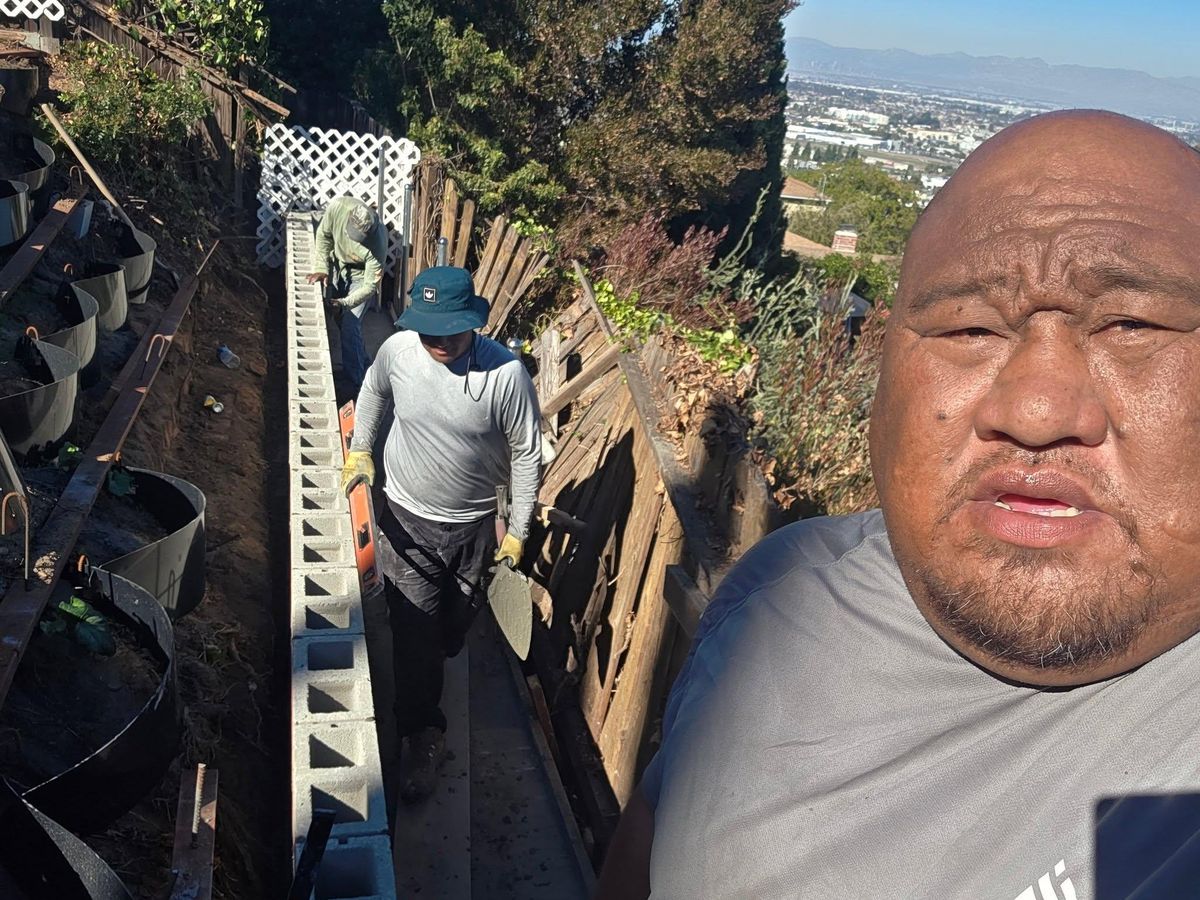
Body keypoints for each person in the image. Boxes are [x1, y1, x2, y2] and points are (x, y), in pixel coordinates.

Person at [596, 110, 1200, 899]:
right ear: (882, 391)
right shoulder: (786, 589)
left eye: (1133, 323)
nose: (1038, 410)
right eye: (971, 326)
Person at [340, 265, 542, 803]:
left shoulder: (504, 376)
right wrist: (362, 448)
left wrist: (518, 530)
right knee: (415, 636)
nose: (439, 342)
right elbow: (375, 393)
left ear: (473, 322)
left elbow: (525, 454)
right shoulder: (399, 352)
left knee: (454, 626)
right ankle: (423, 733)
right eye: (430, 330)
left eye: (450, 330)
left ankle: (442, 647)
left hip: (474, 526)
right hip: (405, 519)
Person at [306, 196, 387, 395]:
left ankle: (356, 384)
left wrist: (344, 302)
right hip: (337, 266)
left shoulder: (378, 242)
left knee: (350, 322)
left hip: (360, 278)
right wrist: (322, 268)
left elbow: (370, 286)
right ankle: (363, 365)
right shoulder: (338, 207)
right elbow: (324, 236)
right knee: (342, 323)